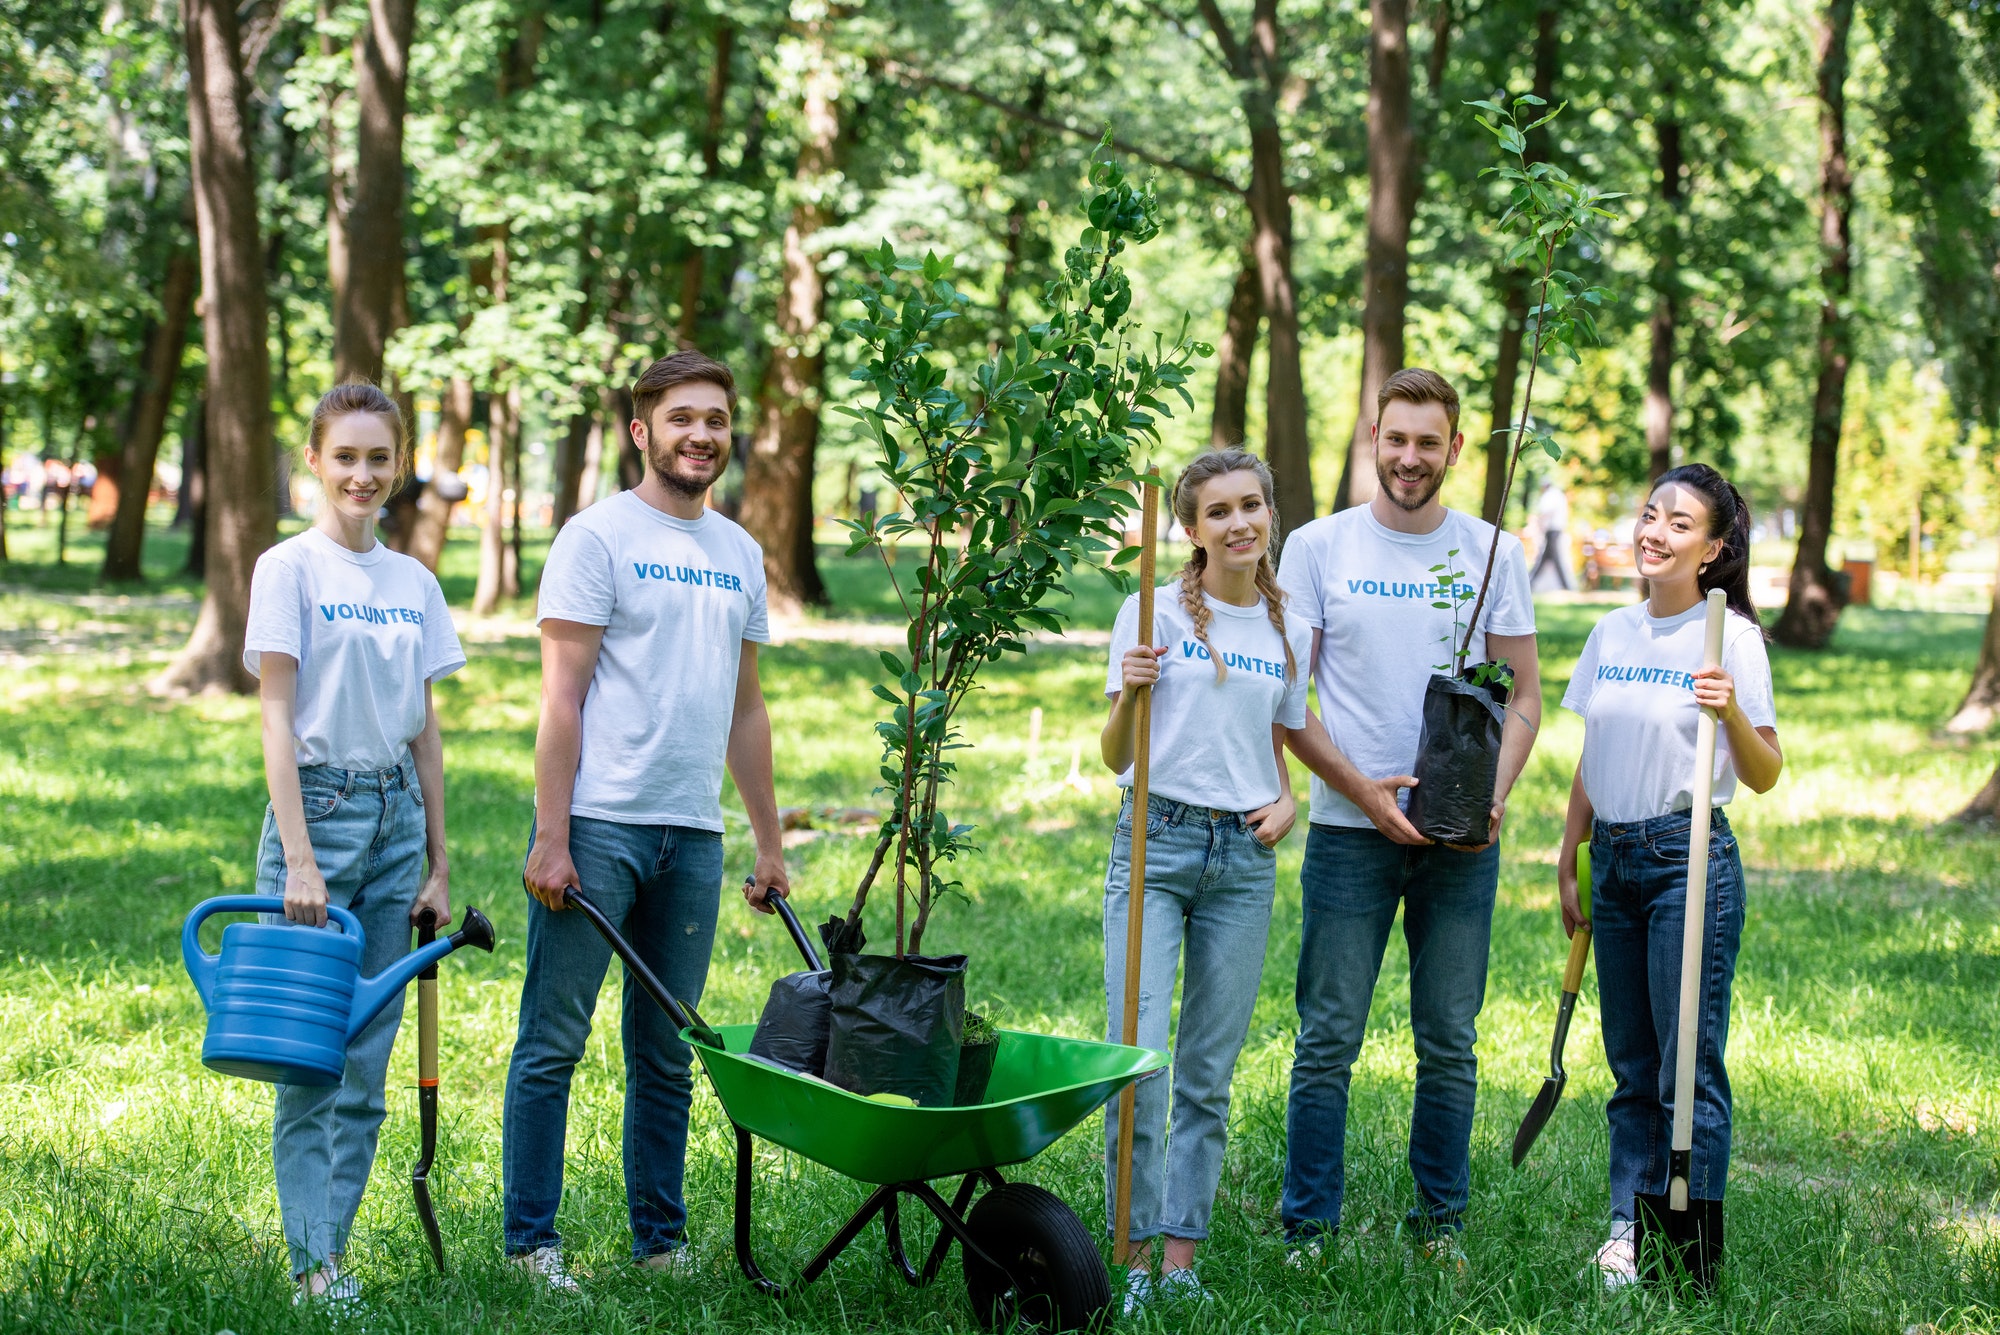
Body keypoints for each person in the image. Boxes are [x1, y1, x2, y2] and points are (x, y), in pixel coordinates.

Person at [504, 350, 790, 1288]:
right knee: (553, 1042)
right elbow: (561, 698)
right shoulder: (596, 537)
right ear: (641, 431)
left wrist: (769, 840)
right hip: (599, 826)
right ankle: (531, 1244)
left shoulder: (739, 552)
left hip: (693, 836)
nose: (700, 435)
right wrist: (552, 835)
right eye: (681, 419)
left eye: (715, 419)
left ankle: (659, 1240)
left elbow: (746, 707)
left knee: (668, 1049)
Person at [1277, 367, 1542, 1258]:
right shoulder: (1319, 548)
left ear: (1455, 449)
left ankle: (1440, 1225)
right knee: (1327, 1037)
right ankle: (1309, 1226)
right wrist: (1361, 789)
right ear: (1373, 440)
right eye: (1397, 438)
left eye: (1430, 442)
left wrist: (1493, 793)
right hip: (1349, 832)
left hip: (1461, 840)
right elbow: (1289, 702)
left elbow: (1525, 698)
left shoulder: (1493, 553)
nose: (1411, 457)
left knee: (1450, 1039)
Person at [241, 383, 465, 1304]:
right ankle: (311, 1264)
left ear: (398, 465)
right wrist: (298, 858)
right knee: (310, 1060)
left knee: (367, 1067)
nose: (361, 475)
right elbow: (275, 716)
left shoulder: (414, 582)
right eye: (345, 457)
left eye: (378, 458)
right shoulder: (288, 568)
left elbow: (425, 730)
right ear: (315, 462)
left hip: (396, 817)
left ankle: (328, 1254)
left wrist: (440, 862)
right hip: (319, 816)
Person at [1556, 463, 1781, 1288]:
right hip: (1615, 860)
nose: (1655, 532)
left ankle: (1684, 1247)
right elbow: (1596, 751)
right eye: (1651, 514)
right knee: (1631, 1065)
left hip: (1688, 861)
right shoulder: (1612, 632)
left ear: (1713, 549)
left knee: (1686, 1066)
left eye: (1680, 523)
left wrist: (1729, 712)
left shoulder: (1732, 639)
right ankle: (1629, 1227)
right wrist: (1571, 850)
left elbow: (1764, 772)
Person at [1099, 448, 1312, 1312]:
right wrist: (1130, 692)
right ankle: (1132, 1259)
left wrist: (1288, 799)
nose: (1239, 523)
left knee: (1206, 1073)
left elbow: (1273, 740)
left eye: (1251, 505)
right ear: (1191, 529)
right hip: (1156, 839)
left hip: (1243, 863)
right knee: (1139, 1062)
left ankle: (1182, 1260)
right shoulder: (1149, 610)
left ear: (1269, 514)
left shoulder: (1287, 629)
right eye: (1218, 511)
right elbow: (1114, 755)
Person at [1531, 477, 1575, 592]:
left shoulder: (1550, 495)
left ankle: (1566, 585)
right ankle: (1531, 581)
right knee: (1547, 557)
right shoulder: (1557, 494)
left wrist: (1539, 522)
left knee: (1553, 557)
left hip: (1553, 530)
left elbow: (1548, 512)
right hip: (1555, 529)